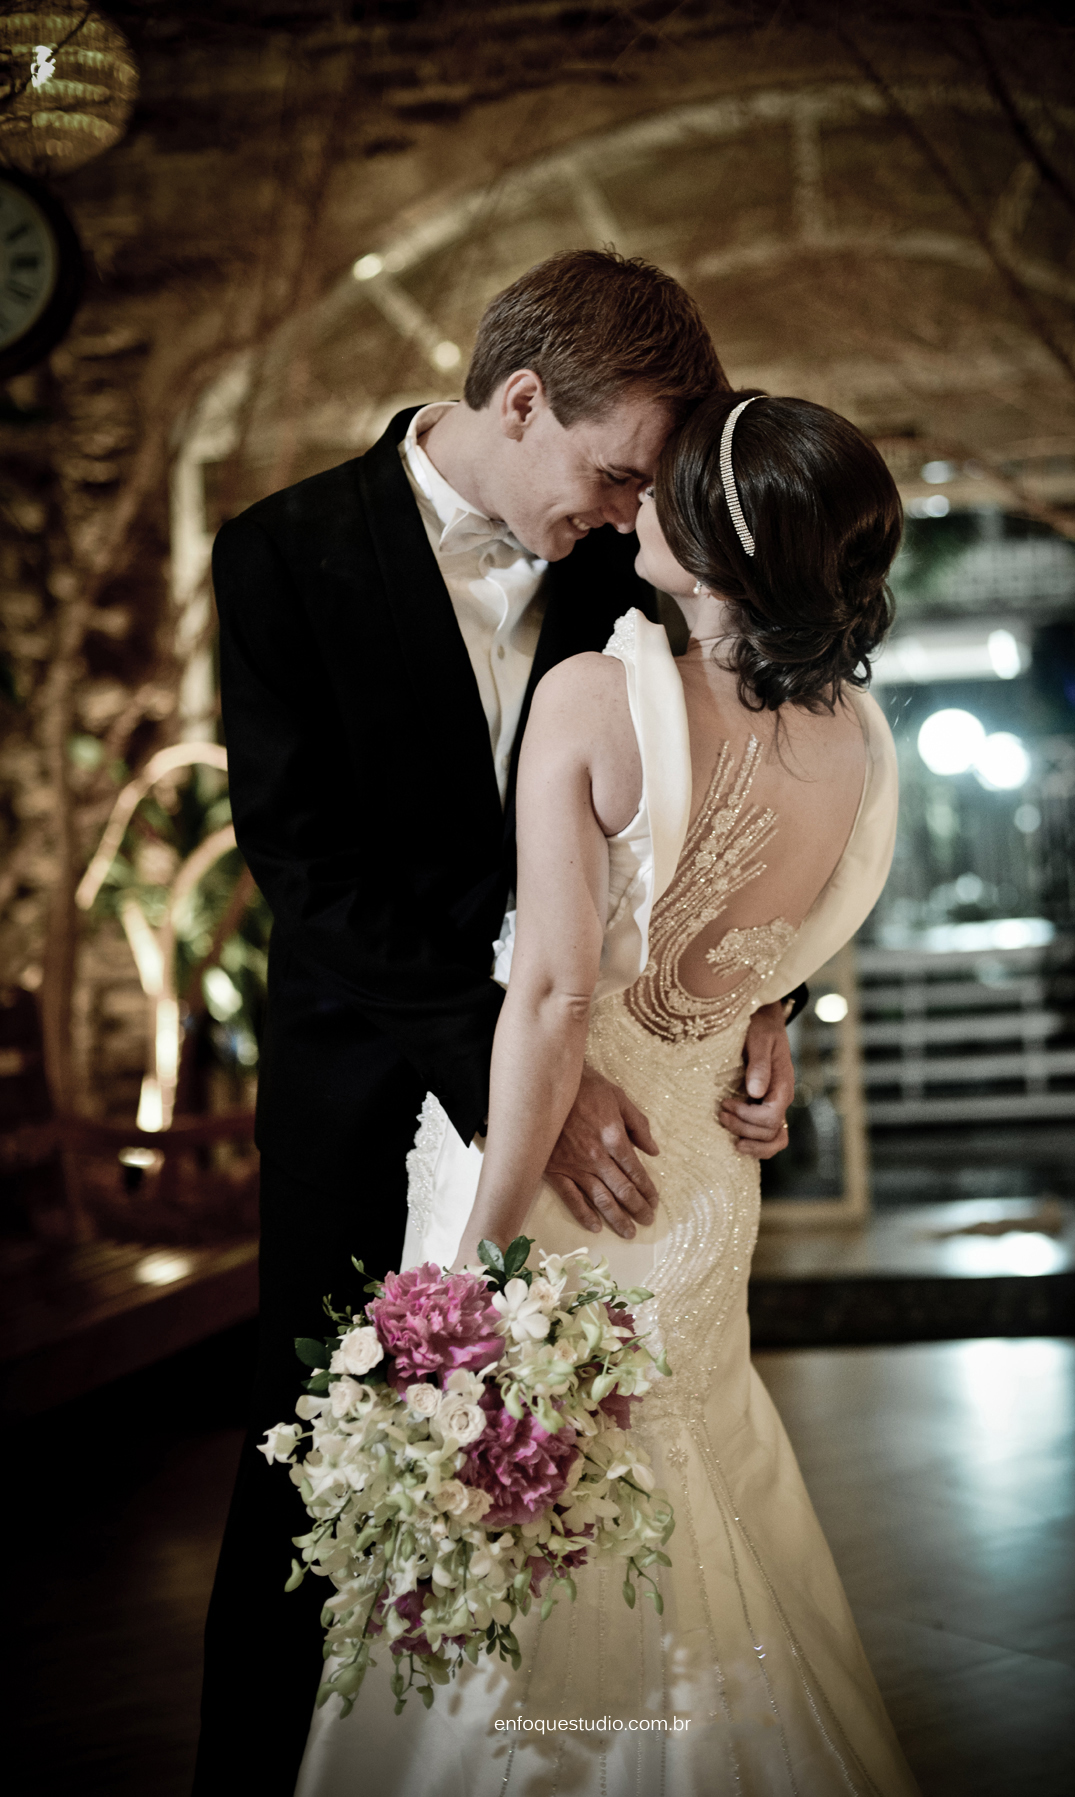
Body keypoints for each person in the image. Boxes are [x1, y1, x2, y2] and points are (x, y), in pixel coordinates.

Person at [194, 256, 803, 1796]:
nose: (623, 514)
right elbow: (304, 871)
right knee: (316, 1466)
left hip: (602, 1098)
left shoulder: (629, 562)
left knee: (574, 1484)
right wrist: (515, 1058)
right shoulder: (278, 555)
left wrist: (760, 997)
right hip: (361, 1095)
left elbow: (718, 786)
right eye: (611, 474)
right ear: (521, 402)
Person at [293, 391, 920, 1795]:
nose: (635, 502)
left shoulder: (596, 695)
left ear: (710, 536)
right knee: (690, 1478)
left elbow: (556, 999)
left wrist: (471, 1266)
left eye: (665, 488)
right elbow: (777, 944)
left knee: (528, 1529)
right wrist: (766, 1021)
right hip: (701, 1174)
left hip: (560, 1171)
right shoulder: (864, 746)